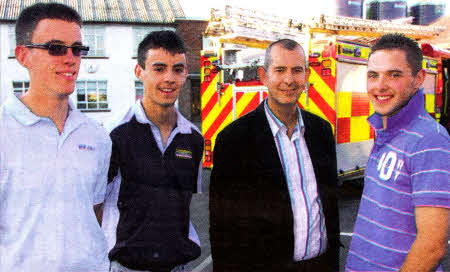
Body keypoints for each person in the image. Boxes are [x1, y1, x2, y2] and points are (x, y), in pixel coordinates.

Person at [209, 39, 340, 272]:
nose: (289, 80)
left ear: (307, 75)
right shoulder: (233, 140)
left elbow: (329, 205)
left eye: (297, 70)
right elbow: (222, 227)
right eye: (280, 70)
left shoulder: (321, 131)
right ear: (264, 75)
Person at [0, 3, 111, 272]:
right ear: (23, 55)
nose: (70, 58)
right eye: (56, 48)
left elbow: (94, 213)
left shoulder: (97, 137)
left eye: (77, 49)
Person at [345, 34, 450, 271]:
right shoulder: (387, 130)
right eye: (373, 75)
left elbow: (432, 246)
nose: (380, 85)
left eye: (394, 75)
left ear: (418, 79)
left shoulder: (429, 139)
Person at [102, 30, 203, 272]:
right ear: (140, 72)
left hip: (179, 266)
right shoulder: (113, 133)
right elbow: (94, 208)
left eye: (178, 69)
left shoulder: (194, 139)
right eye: (159, 68)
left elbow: (185, 203)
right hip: (127, 267)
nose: (169, 78)